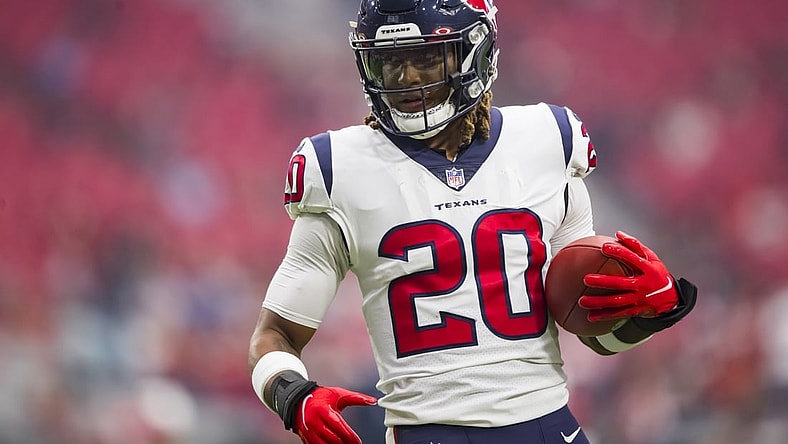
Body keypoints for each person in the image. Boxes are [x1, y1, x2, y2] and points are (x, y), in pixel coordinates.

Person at [247, 0, 697, 443]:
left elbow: (592, 333)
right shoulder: (338, 168)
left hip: (548, 425)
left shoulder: (546, 142)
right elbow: (274, 334)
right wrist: (293, 395)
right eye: (391, 62)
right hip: (429, 432)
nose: (406, 78)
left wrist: (651, 311)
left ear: (476, 51)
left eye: (425, 58)